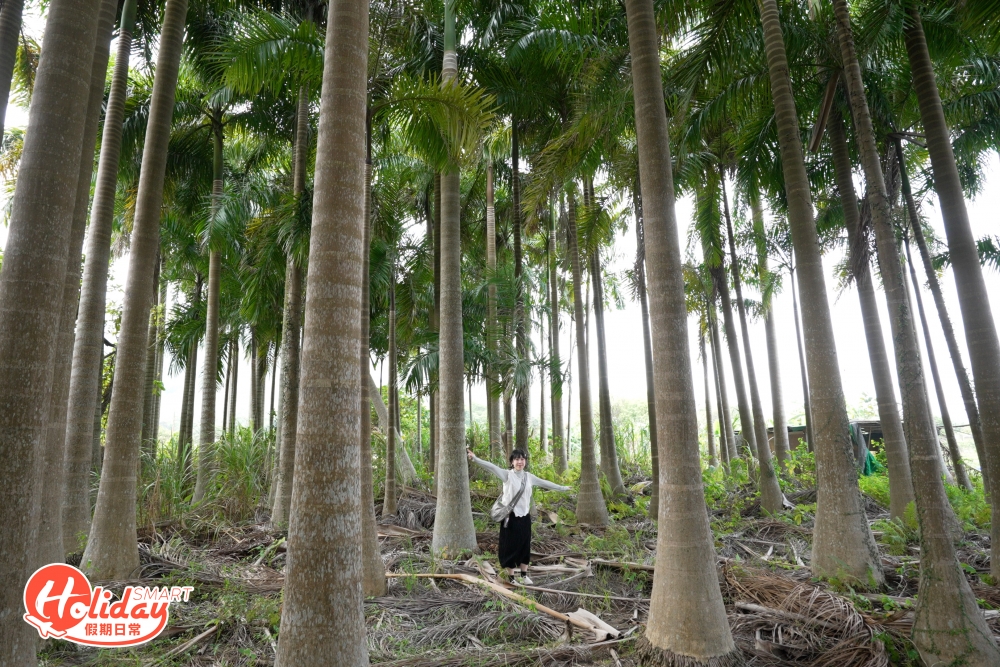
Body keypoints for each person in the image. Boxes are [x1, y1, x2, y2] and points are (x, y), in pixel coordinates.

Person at [467, 448, 571, 584]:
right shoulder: (507, 475)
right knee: (510, 546)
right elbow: (491, 467)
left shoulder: (529, 477)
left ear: (525, 461)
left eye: (522, 459)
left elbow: (545, 483)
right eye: (516, 459)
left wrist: (563, 488)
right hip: (510, 517)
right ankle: (511, 578)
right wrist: (475, 459)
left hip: (525, 517)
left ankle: (523, 575)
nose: (520, 462)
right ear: (512, 462)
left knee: (524, 545)